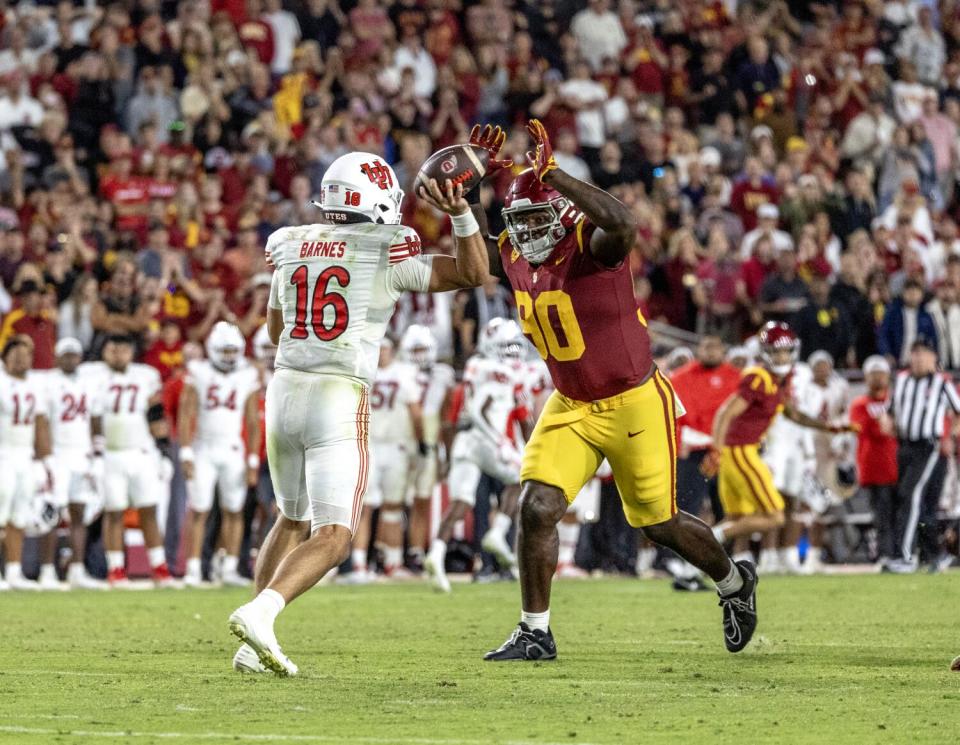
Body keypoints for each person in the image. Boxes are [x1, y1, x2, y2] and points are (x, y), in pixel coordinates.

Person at [471, 120, 758, 661]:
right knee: (536, 507)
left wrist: (554, 175)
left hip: (632, 400)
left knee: (659, 523)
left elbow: (623, 221)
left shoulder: (591, 244)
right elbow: (483, 255)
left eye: (537, 218)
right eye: (519, 221)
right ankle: (536, 631)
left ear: (561, 210)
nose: (527, 231)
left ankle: (733, 582)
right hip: (571, 403)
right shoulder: (514, 250)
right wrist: (469, 195)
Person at [227, 148, 488, 677]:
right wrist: (461, 211)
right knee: (336, 535)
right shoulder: (384, 251)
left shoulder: (292, 244)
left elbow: (276, 334)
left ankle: (251, 646)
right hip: (336, 396)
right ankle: (261, 613)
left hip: (283, 392)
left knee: (291, 517)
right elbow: (473, 273)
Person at [704, 323, 851, 551]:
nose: (782, 357)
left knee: (735, 517)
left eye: (785, 351)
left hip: (740, 452)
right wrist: (715, 449)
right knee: (774, 516)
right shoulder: (759, 378)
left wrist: (827, 427)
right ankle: (709, 539)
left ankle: (691, 567)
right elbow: (725, 413)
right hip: (741, 452)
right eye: (776, 351)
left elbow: (792, 413)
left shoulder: (777, 380)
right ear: (765, 352)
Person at [425, 318, 532, 593]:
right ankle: (498, 534)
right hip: (488, 439)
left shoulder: (474, 365)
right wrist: (502, 441)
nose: (513, 352)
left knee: (461, 503)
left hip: (465, 439)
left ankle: (436, 554)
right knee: (522, 477)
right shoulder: (505, 373)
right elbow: (485, 408)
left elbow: (466, 405)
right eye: (507, 346)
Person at [85, 334, 176, 588]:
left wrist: (164, 450)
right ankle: (115, 569)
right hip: (111, 453)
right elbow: (92, 415)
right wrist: (95, 448)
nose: (118, 354)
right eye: (113, 348)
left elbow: (155, 412)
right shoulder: (93, 375)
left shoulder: (145, 375)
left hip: (141, 450)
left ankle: (159, 568)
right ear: (104, 352)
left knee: (148, 508)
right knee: (113, 511)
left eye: (123, 348)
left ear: (131, 351)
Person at [178, 322, 261, 588]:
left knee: (234, 510)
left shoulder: (247, 374)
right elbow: (186, 412)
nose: (228, 356)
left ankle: (228, 567)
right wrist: (186, 451)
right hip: (203, 446)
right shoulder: (198, 372)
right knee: (200, 509)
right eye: (223, 351)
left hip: (233, 448)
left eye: (231, 351)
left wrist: (252, 460)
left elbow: (252, 420)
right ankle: (192, 568)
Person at [667, 335, 740, 590]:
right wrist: (678, 444)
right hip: (695, 451)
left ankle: (722, 566)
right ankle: (683, 564)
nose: (710, 351)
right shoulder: (681, 378)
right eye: (706, 346)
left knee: (728, 509)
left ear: (723, 349)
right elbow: (671, 415)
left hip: (726, 452)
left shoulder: (736, 377)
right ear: (699, 350)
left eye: (715, 346)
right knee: (687, 507)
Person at [887, 337, 960, 572]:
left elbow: (958, 412)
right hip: (905, 444)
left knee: (911, 495)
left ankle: (906, 557)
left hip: (929, 446)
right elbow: (890, 411)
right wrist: (888, 423)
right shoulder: (901, 380)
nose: (918, 358)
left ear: (934, 358)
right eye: (915, 353)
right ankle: (934, 555)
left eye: (924, 353)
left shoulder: (941, 382)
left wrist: (949, 438)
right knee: (920, 504)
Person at [43, 337, 107, 590]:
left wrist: (97, 453)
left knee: (79, 512)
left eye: (74, 355)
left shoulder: (88, 383)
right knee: (52, 513)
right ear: (57, 357)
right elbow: (43, 422)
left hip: (81, 454)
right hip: (58, 453)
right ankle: (47, 571)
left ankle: (77, 569)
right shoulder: (48, 383)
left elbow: (95, 418)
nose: (70, 359)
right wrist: (45, 456)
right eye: (66, 355)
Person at [363, 338, 424, 579]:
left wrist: (417, 443)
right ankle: (360, 564)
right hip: (375, 444)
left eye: (384, 348)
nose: (381, 353)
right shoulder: (401, 374)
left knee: (391, 507)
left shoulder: (368, 372)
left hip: (391, 444)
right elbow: (416, 413)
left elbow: (416, 414)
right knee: (368, 507)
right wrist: (421, 443)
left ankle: (392, 561)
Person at [399, 324, 455, 573]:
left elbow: (446, 413)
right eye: (415, 349)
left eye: (423, 349)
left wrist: (445, 449)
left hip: (430, 441)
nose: (420, 354)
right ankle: (386, 554)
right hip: (401, 439)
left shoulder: (443, 373)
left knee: (422, 499)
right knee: (393, 502)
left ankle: (415, 551)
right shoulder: (398, 371)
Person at [0, 335, 52, 590]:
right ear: (5, 358)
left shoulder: (36, 385)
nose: (21, 360)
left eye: (26, 356)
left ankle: (13, 572)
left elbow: (41, 424)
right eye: (16, 355)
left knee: (19, 516)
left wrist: (45, 461)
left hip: (24, 456)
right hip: (2, 454)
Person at [848, 356, 898, 566]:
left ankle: (903, 553)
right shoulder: (859, 404)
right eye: (873, 374)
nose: (878, 378)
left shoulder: (896, 400)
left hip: (899, 466)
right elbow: (870, 430)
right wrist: (887, 423)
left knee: (900, 513)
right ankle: (886, 555)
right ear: (866, 378)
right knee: (882, 515)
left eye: (881, 373)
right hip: (874, 467)